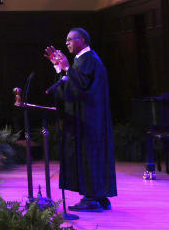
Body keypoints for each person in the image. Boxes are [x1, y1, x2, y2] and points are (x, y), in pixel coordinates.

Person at [45, 27, 117, 212]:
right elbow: (68, 90)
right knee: (88, 156)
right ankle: (98, 196)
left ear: (83, 40)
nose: (66, 42)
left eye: (71, 39)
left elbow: (82, 88)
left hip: (90, 120)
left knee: (90, 156)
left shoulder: (90, 60)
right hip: (84, 119)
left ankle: (93, 198)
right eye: (66, 39)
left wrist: (67, 68)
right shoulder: (81, 60)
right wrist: (59, 68)